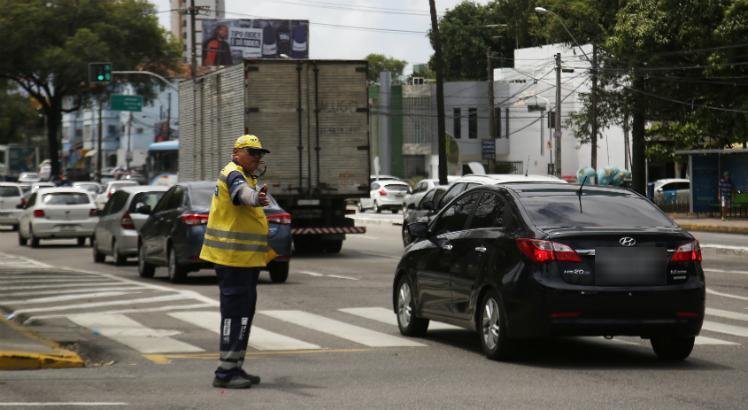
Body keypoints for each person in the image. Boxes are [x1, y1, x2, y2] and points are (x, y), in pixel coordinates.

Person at [199, 134, 274, 389]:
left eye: (259, 154)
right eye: (252, 153)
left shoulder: (249, 177)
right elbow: (241, 194)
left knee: (244, 313)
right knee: (234, 315)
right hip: (232, 259)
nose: (256, 158)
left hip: (246, 260)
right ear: (236, 153)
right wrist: (256, 198)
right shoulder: (233, 174)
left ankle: (235, 366)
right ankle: (225, 373)